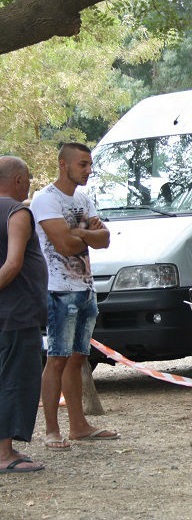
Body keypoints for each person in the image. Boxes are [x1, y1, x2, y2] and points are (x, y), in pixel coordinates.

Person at [30, 142, 119, 451]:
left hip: (86, 288)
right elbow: (64, 246)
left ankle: (79, 426)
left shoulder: (83, 198)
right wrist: (83, 233)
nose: (89, 170)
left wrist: (77, 232)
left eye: (89, 164)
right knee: (56, 358)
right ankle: (52, 430)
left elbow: (105, 239)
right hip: (58, 290)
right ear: (63, 165)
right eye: (82, 164)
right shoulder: (45, 200)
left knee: (79, 357)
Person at [0, 156, 47, 473]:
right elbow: (13, 264)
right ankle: (4, 454)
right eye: (28, 179)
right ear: (17, 180)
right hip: (16, 315)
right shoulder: (17, 212)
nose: (29, 185)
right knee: (15, 381)